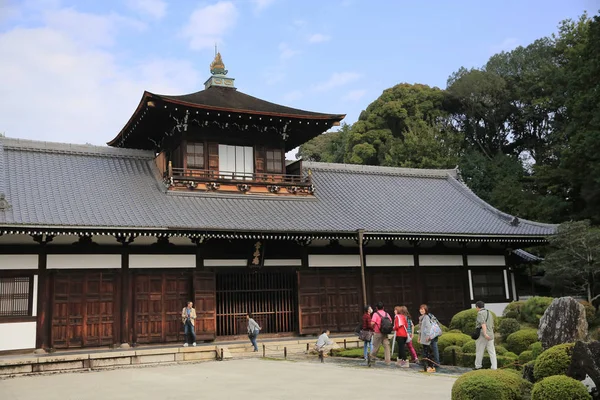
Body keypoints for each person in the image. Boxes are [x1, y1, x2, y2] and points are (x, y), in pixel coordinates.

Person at [474, 301, 497, 370]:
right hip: (491, 334)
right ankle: (494, 367)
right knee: (492, 352)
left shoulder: (480, 313)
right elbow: (492, 325)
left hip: (483, 335)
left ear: (477, 307)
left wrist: (485, 333)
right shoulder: (489, 313)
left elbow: (483, 324)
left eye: (476, 307)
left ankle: (478, 366)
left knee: (479, 351)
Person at [418, 304, 440, 372]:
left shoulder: (426, 317)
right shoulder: (422, 317)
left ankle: (432, 366)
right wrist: (419, 337)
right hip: (425, 337)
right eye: (420, 309)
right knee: (426, 351)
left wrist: (428, 336)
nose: (421, 310)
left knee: (427, 351)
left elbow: (428, 327)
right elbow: (420, 329)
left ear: (426, 310)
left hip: (428, 337)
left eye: (423, 309)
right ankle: (428, 365)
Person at [370, 302, 392, 366]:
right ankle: (388, 361)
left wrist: (373, 327)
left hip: (377, 332)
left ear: (376, 308)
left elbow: (372, 323)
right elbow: (390, 321)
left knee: (376, 346)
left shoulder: (375, 314)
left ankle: (372, 357)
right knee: (387, 346)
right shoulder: (386, 314)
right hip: (385, 332)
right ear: (383, 307)